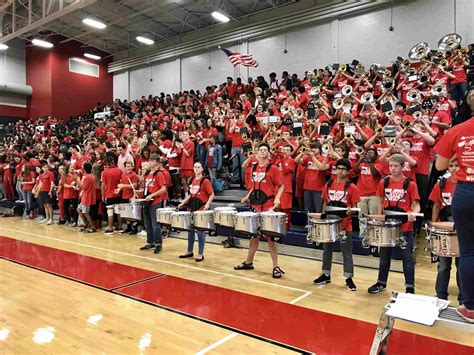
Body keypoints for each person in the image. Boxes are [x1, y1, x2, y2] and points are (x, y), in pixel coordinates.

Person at [434, 88, 474, 322]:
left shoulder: (457, 130)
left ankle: (470, 307)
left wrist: (459, 160)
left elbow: (440, 166)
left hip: (466, 191)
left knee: (468, 251)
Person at [368, 154, 420, 294]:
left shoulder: (410, 184)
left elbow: (416, 205)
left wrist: (413, 214)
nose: (392, 168)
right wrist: (379, 218)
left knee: (407, 258)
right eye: (390, 166)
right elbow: (380, 202)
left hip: (404, 226)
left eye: (396, 166)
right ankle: (381, 282)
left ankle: (410, 287)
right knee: (384, 256)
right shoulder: (384, 182)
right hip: (388, 225)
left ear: (403, 166)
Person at [235, 143, 285, 278]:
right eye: (260, 150)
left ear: (268, 154)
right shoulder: (254, 167)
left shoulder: (273, 168)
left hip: (268, 205)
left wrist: (277, 199)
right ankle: (249, 262)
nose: (263, 152)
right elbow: (253, 186)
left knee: (270, 237)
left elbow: (281, 186)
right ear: (256, 154)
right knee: (253, 235)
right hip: (255, 205)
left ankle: (276, 266)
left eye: (265, 150)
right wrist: (247, 196)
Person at [313, 159, 360, 291]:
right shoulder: (329, 183)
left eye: (343, 169)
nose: (340, 171)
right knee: (326, 250)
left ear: (348, 171)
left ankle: (349, 278)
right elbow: (325, 203)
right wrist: (323, 216)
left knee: (346, 252)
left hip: (345, 224)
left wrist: (351, 210)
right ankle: (326, 274)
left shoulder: (352, 187)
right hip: (329, 222)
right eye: (338, 168)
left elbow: (355, 207)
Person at [428, 158, 463, 304]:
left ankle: (464, 298)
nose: (454, 168)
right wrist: (434, 226)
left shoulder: (467, 185)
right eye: (451, 165)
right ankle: (441, 296)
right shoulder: (441, 184)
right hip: (443, 230)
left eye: (457, 165)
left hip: (462, 230)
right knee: (443, 265)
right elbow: (436, 206)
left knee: (462, 266)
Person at [178, 162, 215, 262]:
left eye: (198, 167)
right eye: (195, 167)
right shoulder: (192, 180)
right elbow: (190, 195)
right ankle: (189, 251)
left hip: (201, 208)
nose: (196, 169)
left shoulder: (205, 180)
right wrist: (182, 203)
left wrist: (207, 204)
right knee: (190, 231)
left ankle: (200, 253)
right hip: (191, 208)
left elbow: (212, 194)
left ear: (202, 169)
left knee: (200, 232)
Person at [140, 154, 167, 254]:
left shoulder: (159, 174)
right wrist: (139, 192)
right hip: (146, 201)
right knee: (147, 224)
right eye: (149, 160)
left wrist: (152, 195)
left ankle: (158, 244)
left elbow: (163, 189)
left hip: (155, 202)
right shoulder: (147, 173)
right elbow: (145, 188)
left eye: (151, 160)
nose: (149, 162)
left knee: (155, 225)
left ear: (156, 162)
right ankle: (150, 242)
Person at [101, 156, 123, 235]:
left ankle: (110, 228)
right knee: (119, 212)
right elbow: (122, 181)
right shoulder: (119, 170)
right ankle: (120, 227)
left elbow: (103, 185)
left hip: (109, 194)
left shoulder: (105, 172)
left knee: (110, 212)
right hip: (118, 193)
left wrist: (103, 195)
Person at [77, 162, 97, 233]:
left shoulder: (87, 177)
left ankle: (92, 226)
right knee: (79, 209)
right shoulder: (92, 176)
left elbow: (83, 187)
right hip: (88, 195)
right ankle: (86, 224)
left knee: (85, 212)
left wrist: (78, 181)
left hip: (87, 196)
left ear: (84, 169)